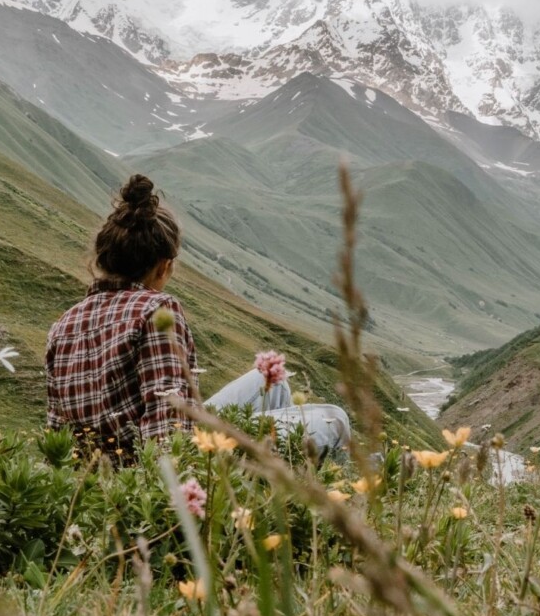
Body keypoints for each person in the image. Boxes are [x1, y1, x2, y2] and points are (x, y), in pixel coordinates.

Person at [46, 174, 350, 457]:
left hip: (101, 464)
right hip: (153, 464)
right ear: (164, 265)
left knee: (271, 379)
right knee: (334, 420)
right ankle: (316, 497)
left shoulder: (62, 325)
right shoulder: (156, 310)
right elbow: (166, 424)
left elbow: (56, 430)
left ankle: (271, 484)